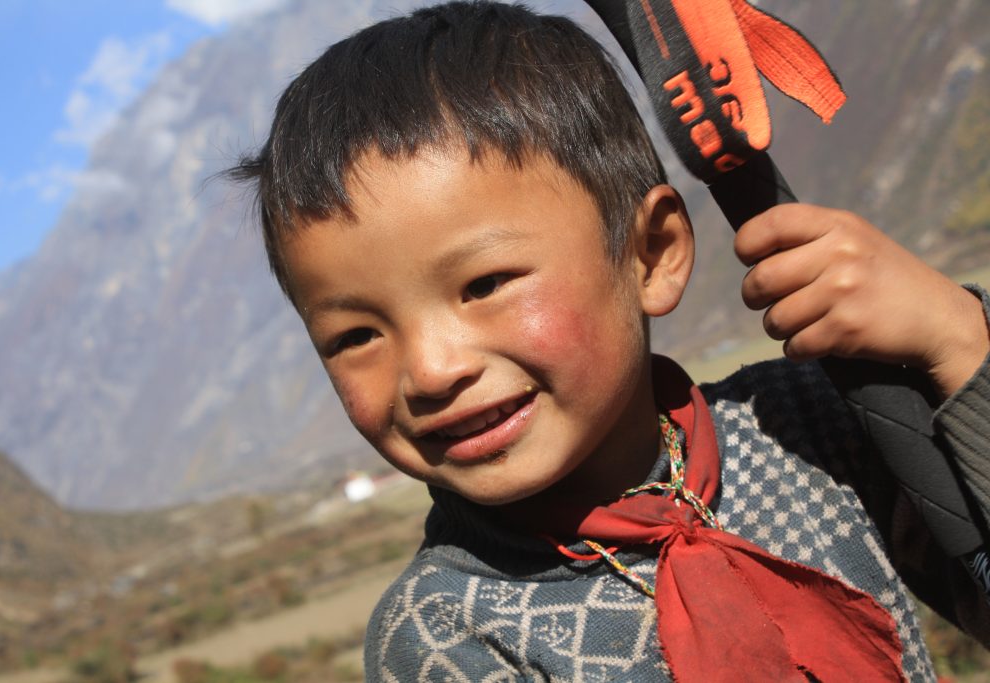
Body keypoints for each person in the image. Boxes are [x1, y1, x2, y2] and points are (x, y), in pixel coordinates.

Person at [229, 2, 990, 679]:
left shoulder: (812, 423)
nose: (430, 370)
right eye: (356, 333)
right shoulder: (445, 634)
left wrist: (959, 343)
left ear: (651, 255)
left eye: (485, 284)